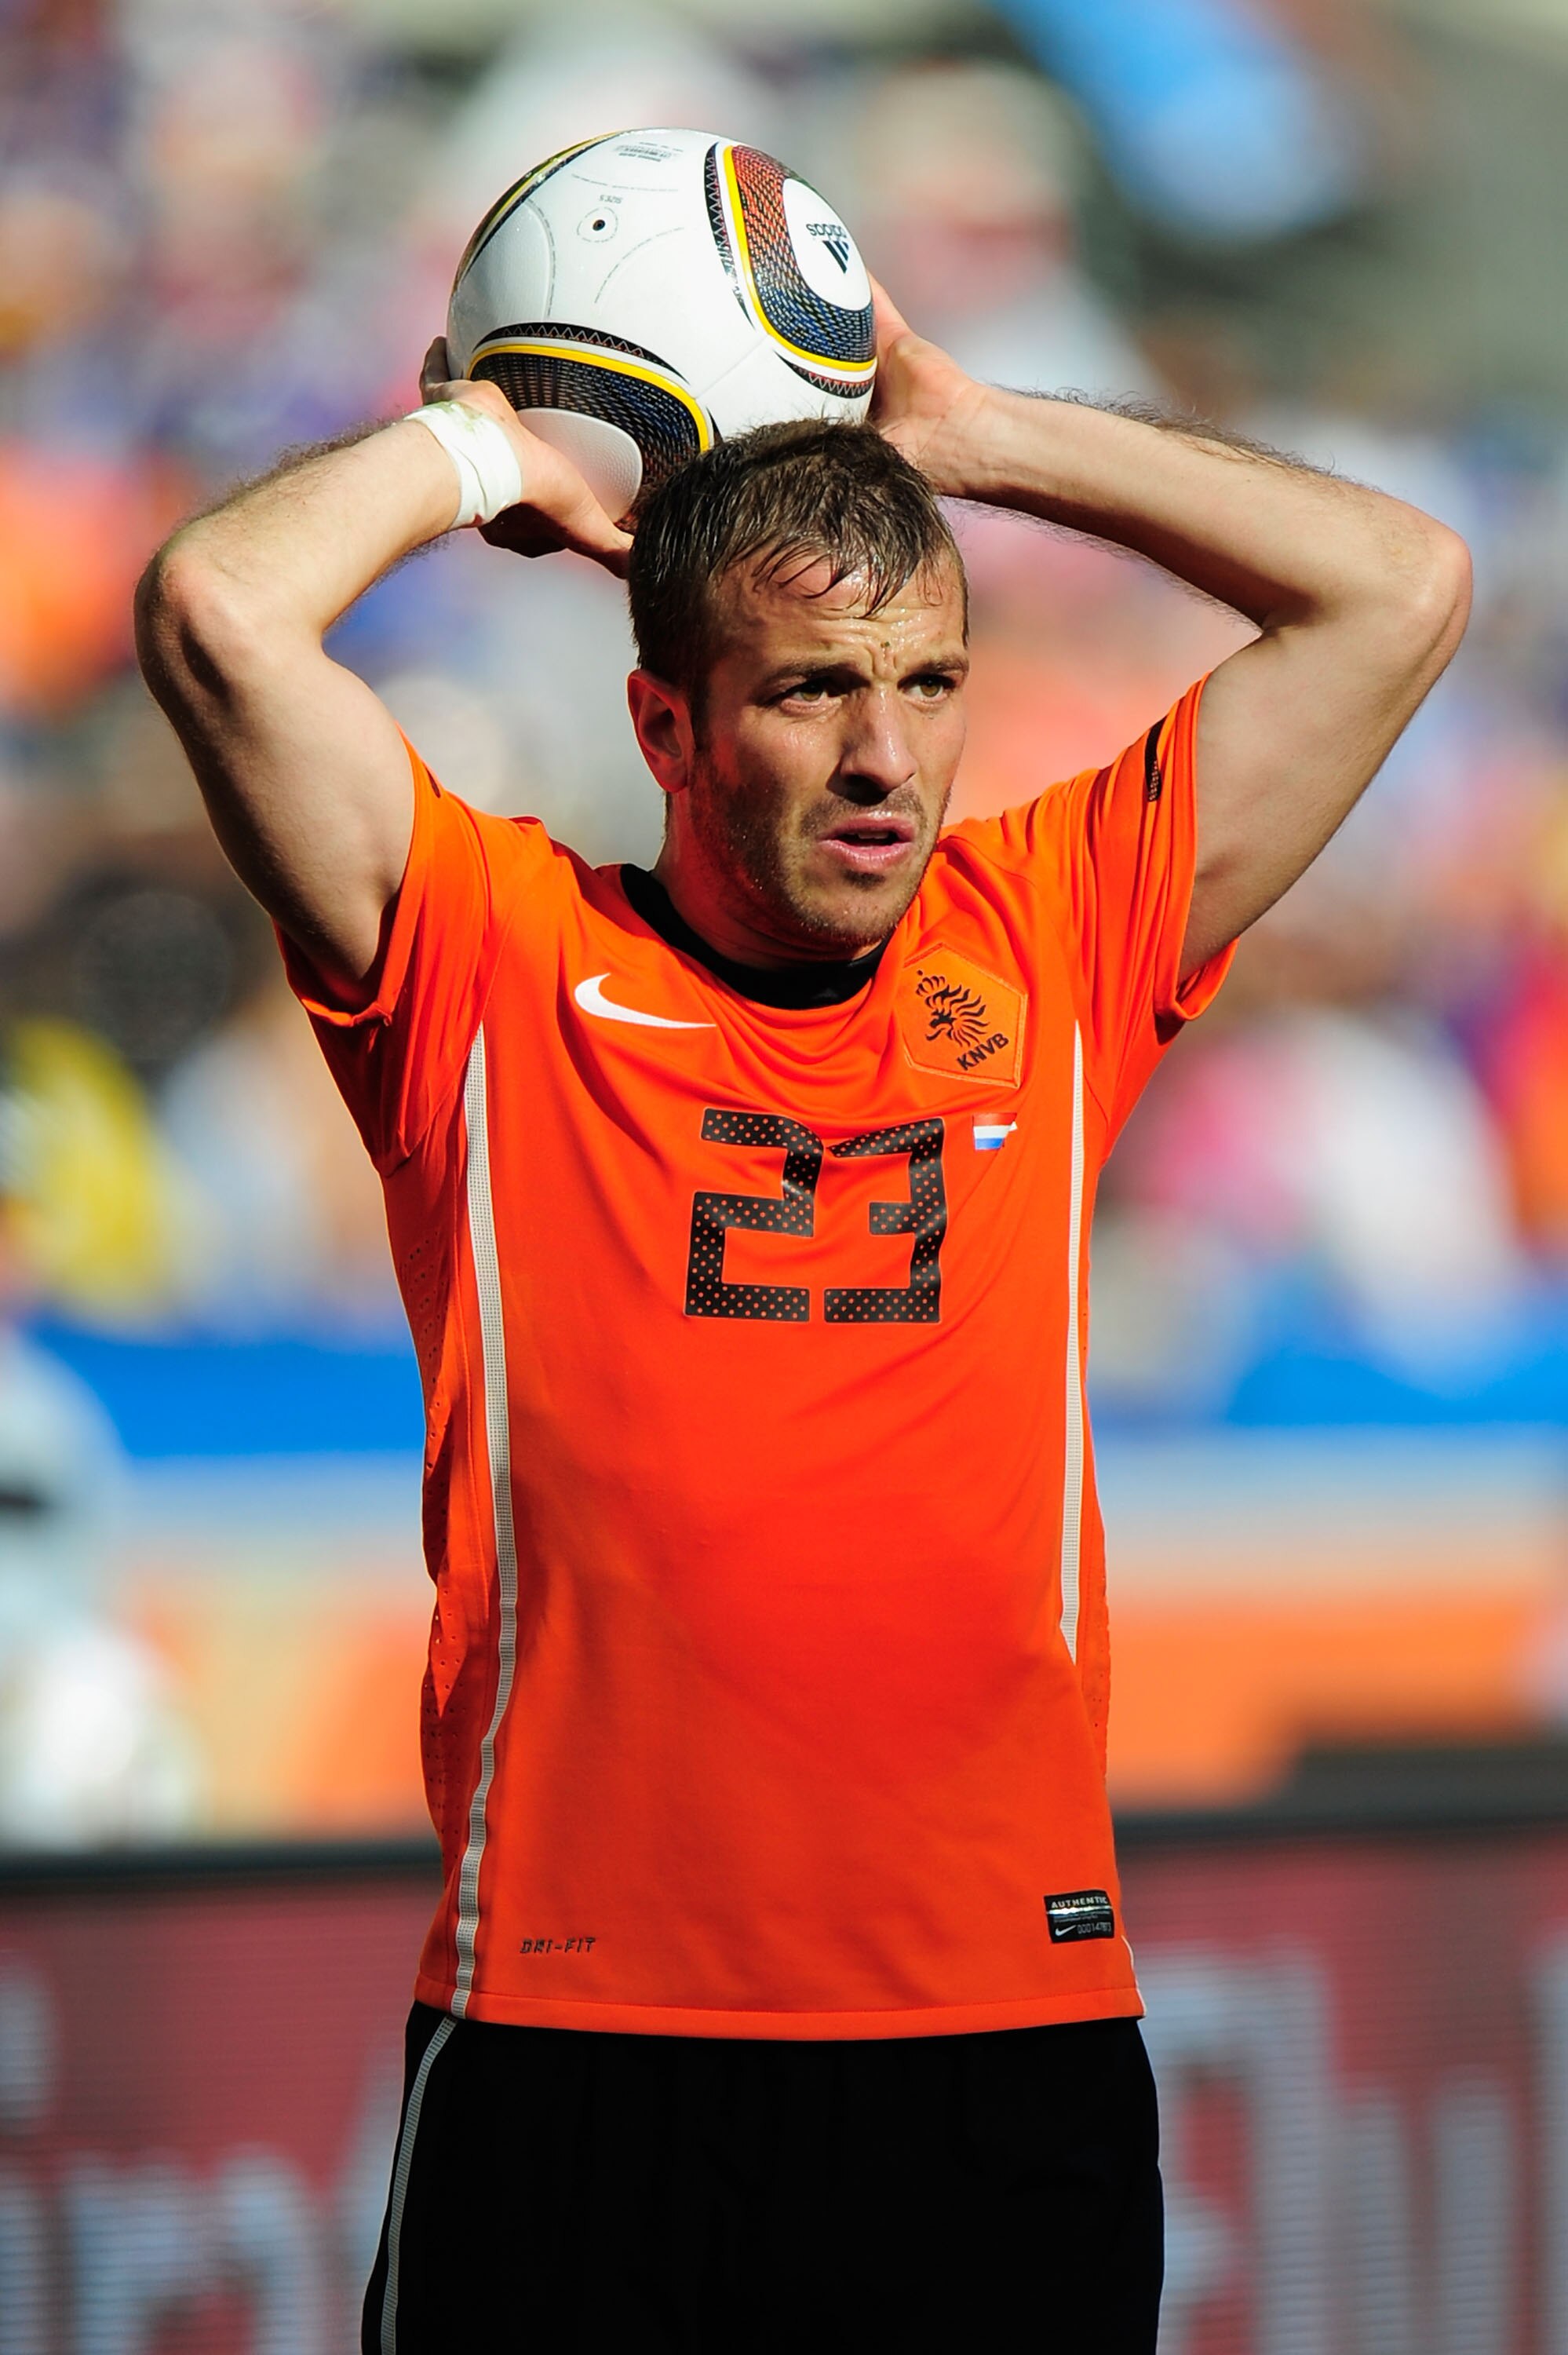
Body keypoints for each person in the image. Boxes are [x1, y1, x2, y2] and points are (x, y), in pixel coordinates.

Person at [134, 279, 1468, 2350]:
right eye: (813, 690)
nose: (884, 759)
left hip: (1000, 2042)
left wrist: (989, 437)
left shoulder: (1048, 942)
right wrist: (500, 448)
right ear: (665, 724)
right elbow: (221, 610)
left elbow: (1400, 585)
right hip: (589, 2046)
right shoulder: (487, 964)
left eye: (931, 685)